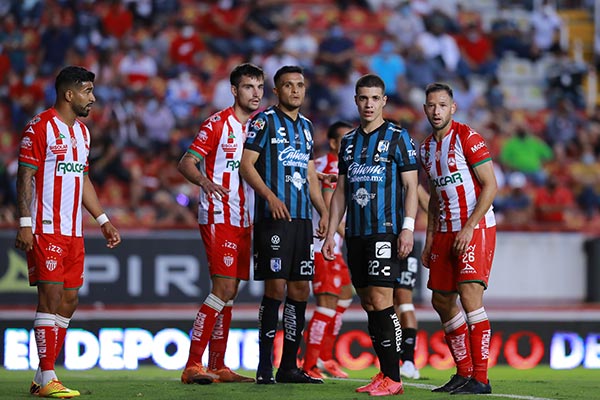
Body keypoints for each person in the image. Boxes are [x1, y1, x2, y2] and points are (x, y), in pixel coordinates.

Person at [14, 66, 121, 398]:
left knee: (70, 299)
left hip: (74, 230)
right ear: (68, 94)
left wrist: (102, 219)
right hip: (46, 228)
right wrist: (25, 223)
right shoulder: (40, 126)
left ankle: (41, 375)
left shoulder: (83, 133)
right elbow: (25, 176)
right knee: (50, 298)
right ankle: (48, 378)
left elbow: (82, 178)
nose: (93, 97)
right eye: (88, 91)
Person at [323, 74, 419, 396]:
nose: (368, 104)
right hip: (355, 234)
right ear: (356, 100)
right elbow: (340, 191)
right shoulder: (348, 142)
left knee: (382, 300)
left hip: (385, 232)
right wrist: (330, 235)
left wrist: (407, 227)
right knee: (367, 302)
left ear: (384, 101)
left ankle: (394, 376)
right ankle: (383, 372)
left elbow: (410, 187)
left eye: (374, 98)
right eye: (363, 98)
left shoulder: (397, 137)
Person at [178, 63, 266, 385]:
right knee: (223, 288)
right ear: (234, 90)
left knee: (230, 294)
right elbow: (186, 161)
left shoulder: (260, 127)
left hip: (244, 219)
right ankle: (192, 365)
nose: (255, 93)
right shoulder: (217, 124)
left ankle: (217, 365)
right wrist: (204, 182)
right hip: (218, 214)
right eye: (248, 87)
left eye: (259, 87)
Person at [240, 65, 328, 385]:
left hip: (302, 218)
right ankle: (265, 366)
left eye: (300, 85)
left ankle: (289, 366)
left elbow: (310, 176)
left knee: (301, 288)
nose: (295, 90)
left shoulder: (307, 127)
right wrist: (269, 196)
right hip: (273, 218)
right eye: (288, 85)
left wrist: (324, 212)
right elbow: (246, 166)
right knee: (275, 286)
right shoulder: (263, 121)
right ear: (277, 91)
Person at [420, 82, 497, 394]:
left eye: (442, 105)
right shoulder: (426, 148)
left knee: (469, 296)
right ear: (425, 109)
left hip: (474, 227)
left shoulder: (468, 137)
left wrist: (469, 226)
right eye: (431, 106)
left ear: (453, 108)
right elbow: (437, 198)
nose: (436, 111)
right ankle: (463, 372)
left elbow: (490, 186)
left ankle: (481, 377)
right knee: (441, 299)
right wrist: (428, 238)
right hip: (444, 230)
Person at [302, 121, 354, 380]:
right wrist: (352, 237)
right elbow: (329, 206)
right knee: (326, 302)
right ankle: (310, 363)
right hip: (321, 245)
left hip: (333, 247)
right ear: (333, 143)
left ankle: (324, 356)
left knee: (344, 294)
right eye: (344, 140)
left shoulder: (320, 165)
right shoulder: (331, 167)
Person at [396, 183, 430, 380]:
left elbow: (427, 204)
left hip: (406, 244)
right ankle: (394, 360)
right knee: (385, 301)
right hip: (380, 240)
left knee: (404, 297)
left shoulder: (410, 178)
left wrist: (432, 234)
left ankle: (409, 361)